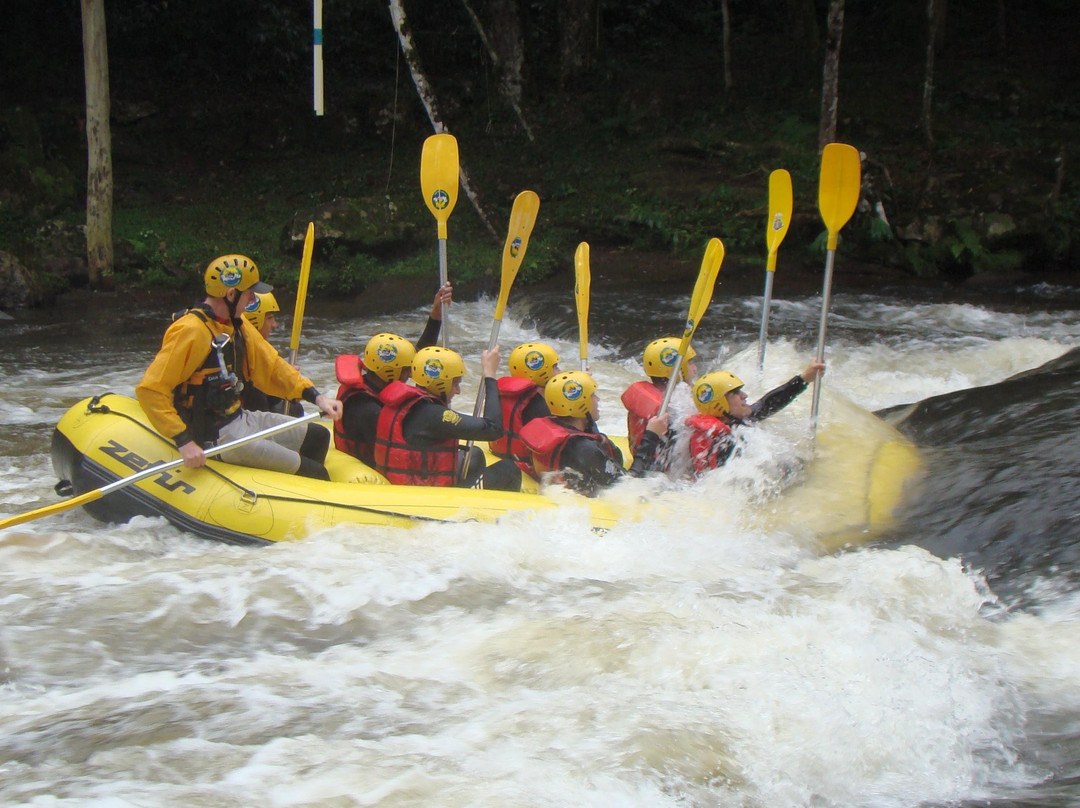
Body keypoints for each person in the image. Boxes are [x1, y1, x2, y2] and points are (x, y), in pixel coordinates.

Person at [136, 254, 343, 480]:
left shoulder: (237, 325)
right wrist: (184, 441)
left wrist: (316, 397)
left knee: (318, 436)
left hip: (238, 418)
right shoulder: (190, 331)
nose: (253, 299)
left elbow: (272, 365)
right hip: (213, 435)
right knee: (316, 473)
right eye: (249, 294)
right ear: (231, 294)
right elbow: (151, 390)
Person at [333, 283, 452, 467]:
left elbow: (418, 356)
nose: (410, 374)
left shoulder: (372, 383)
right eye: (406, 369)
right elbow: (401, 450)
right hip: (372, 468)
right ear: (390, 371)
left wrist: (436, 314)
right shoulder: (366, 409)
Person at [372, 345, 521, 490]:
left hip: (412, 483)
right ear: (441, 384)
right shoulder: (432, 415)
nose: (458, 391)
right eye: (455, 384)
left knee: (474, 455)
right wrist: (490, 375)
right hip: (426, 497)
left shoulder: (412, 405)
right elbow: (493, 429)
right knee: (509, 469)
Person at [521, 371, 666, 497]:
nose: (598, 399)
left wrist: (580, 383)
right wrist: (651, 436)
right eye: (593, 395)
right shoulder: (584, 450)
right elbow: (628, 486)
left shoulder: (560, 427)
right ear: (582, 404)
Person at [684, 361, 825, 475]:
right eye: (735, 393)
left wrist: (804, 378)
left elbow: (767, 404)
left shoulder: (725, 426)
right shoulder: (727, 442)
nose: (744, 396)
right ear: (719, 404)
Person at [489, 342, 561, 479]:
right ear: (542, 372)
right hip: (526, 467)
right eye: (556, 367)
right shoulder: (539, 405)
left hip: (501, 457)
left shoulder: (503, 394)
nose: (560, 372)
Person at [621, 337, 698, 460]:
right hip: (660, 468)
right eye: (690, 363)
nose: (695, 368)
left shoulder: (655, 398)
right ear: (677, 368)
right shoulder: (671, 411)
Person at [240, 291, 303, 417]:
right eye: (269, 318)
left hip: (255, 415)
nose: (274, 325)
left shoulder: (259, 352)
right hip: (248, 421)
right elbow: (260, 410)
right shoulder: (245, 358)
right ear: (253, 321)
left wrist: (283, 378)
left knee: (295, 408)